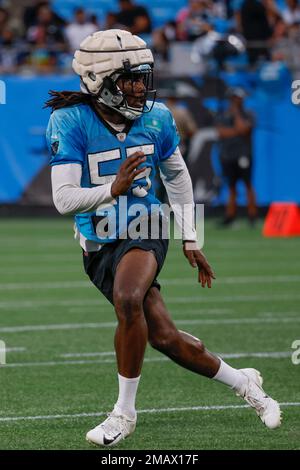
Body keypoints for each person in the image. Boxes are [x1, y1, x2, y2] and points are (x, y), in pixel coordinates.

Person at [46, 29, 281, 447]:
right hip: (97, 240)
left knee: (128, 299)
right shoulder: (70, 119)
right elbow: (64, 199)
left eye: (143, 77)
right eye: (130, 78)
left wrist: (191, 236)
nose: (140, 87)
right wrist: (111, 190)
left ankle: (124, 413)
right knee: (165, 338)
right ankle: (244, 382)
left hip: (146, 225)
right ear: (100, 80)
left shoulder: (156, 117)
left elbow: (176, 176)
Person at [216, 87, 258, 226]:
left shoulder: (248, 114)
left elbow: (244, 129)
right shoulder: (223, 114)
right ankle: (230, 216)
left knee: (248, 185)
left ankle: (252, 216)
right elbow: (221, 133)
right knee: (231, 187)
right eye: (234, 98)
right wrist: (237, 131)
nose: (236, 101)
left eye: (238, 99)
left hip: (243, 155)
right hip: (228, 155)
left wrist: (236, 114)